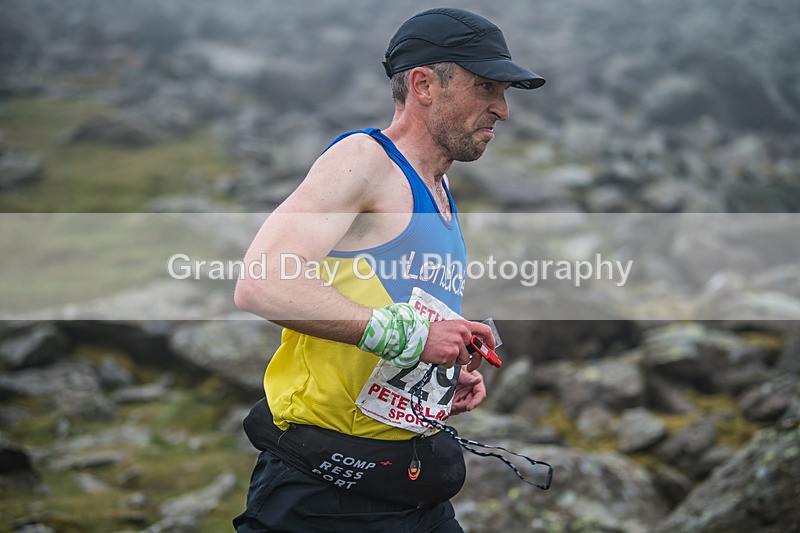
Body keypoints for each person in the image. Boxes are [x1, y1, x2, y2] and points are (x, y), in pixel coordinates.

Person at [232, 7, 545, 532]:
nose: (503, 109)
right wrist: (411, 337)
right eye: (486, 87)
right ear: (423, 85)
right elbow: (262, 281)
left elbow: (392, 308)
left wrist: (438, 374)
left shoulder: (438, 188)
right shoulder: (365, 159)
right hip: (322, 493)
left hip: (409, 481)